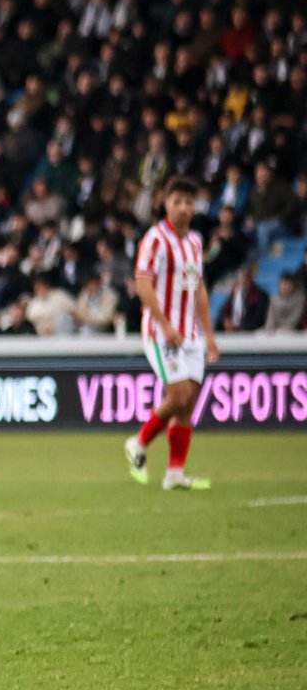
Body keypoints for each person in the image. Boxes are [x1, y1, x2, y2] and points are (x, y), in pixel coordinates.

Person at [124, 177, 219, 491]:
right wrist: (165, 324)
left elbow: (199, 289)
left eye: (189, 202)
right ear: (165, 203)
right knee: (178, 395)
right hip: (161, 332)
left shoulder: (194, 242)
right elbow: (143, 282)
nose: (183, 208)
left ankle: (175, 473)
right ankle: (138, 442)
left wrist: (209, 334)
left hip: (191, 334)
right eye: (177, 201)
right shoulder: (155, 239)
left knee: (188, 403)